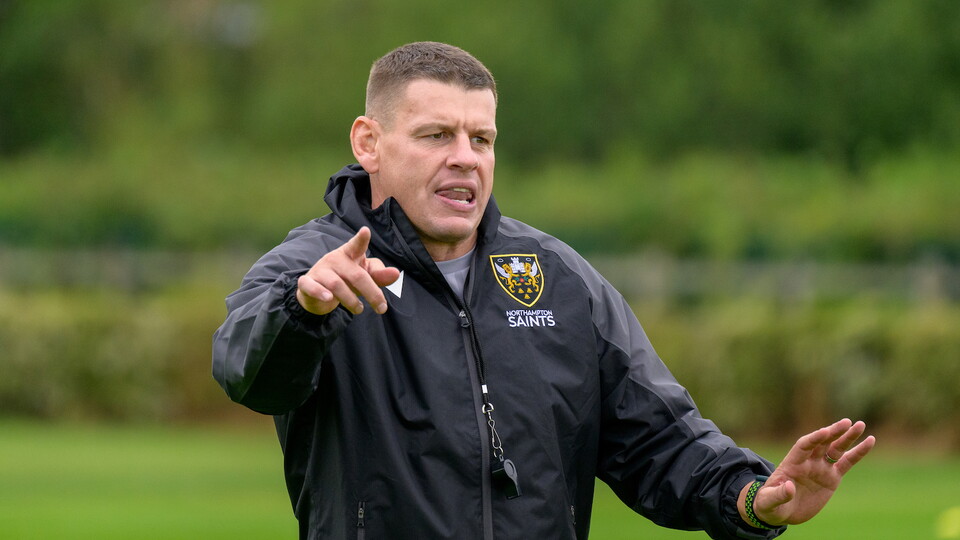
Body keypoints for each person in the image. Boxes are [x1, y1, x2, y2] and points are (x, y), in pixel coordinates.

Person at [212, 41, 875, 539]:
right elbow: (247, 370)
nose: (465, 157)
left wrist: (751, 498)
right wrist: (303, 310)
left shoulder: (557, 277)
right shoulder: (314, 268)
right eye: (436, 135)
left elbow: (655, 438)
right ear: (369, 143)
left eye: (481, 138)